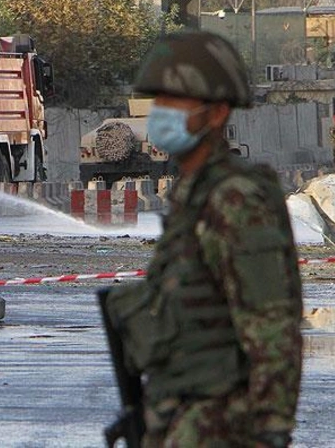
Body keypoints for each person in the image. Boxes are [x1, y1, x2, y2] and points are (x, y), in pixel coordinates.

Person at [103, 31, 303, 447]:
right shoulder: (192, 197)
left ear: (217, 114)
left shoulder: (234, 201)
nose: (162, 112)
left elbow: (272, 330)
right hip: (181, 419)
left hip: (220, 427)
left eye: (177, 101)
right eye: (159, 100)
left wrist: (269, 433)